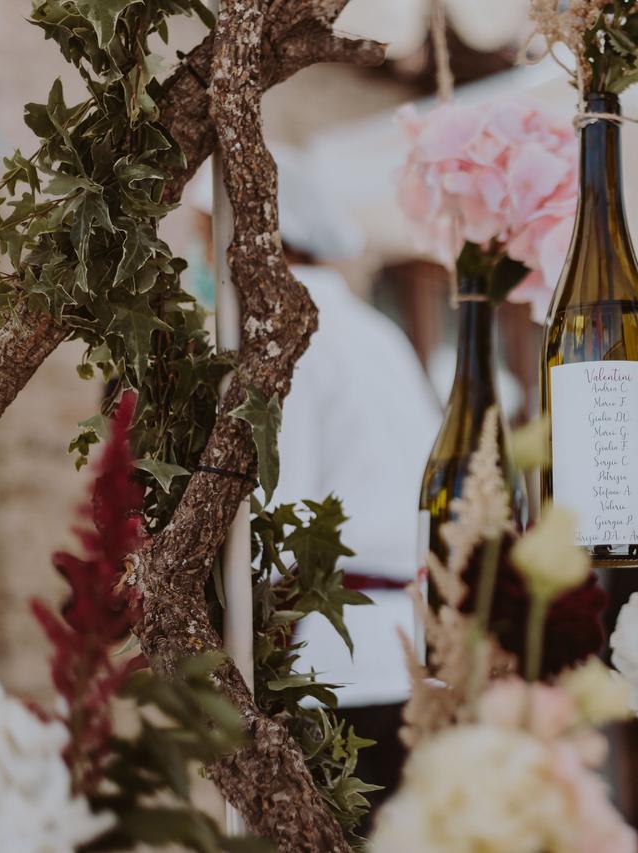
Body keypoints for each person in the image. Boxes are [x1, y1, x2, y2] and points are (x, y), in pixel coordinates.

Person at [188, 148, 441, 817]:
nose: (206, 265)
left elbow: (271, 521)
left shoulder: (285, 340)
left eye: (207, 245)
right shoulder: (377, 331)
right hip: (406, 655)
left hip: (333, 672)